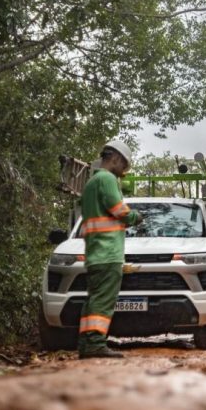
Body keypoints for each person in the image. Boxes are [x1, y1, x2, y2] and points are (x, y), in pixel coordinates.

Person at [77, 140, 142, 359]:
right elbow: (119, 211)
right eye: (124, 165)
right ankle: (95, 344)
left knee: (93, 300)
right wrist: (136, 217)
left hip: (95, 252)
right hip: (108, 252)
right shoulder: (107, 179)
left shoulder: (91, 182)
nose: (124, 171)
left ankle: (86, 344)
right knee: (103, 302)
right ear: (114, 158)